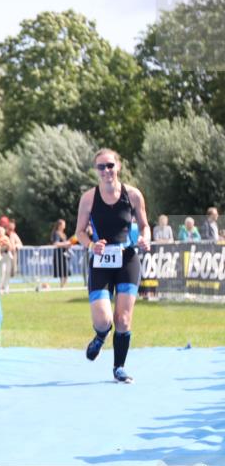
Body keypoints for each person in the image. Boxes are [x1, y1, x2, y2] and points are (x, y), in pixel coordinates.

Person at [75, 148, 151, 384]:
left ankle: (119, 367)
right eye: (101, 167)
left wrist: (145, 237)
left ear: (118, 166)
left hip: (127, 259)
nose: (106, 171)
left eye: (110, 165)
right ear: (96, 171)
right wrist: (91, 245)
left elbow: (145, 225)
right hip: (100, 261)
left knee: (123, 319)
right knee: (104, 320)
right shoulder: (89, 198)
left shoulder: (134, 195)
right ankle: (100, 336)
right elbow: (79, 232)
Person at [51, 219, 72, 288]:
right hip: (59, 255)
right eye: (63, 225)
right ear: (59, 225)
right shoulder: (56, 233)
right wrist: (66, 243)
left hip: (65, 254)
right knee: (62, 272)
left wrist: (68, 244)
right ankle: (62, 286)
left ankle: (63, 286)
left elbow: (65, 244)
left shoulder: (63, 234)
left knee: (66, 271)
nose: (64, 226)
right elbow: (56, 243)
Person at [0, 225, 14, 293]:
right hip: (1, 256)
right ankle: (0, 287)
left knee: (7, 272)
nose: (1, 233)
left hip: (7, 256)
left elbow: (10, 246)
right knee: (2, 272)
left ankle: (7, 287)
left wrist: (8, 246)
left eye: (2, 231)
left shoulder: (6, 238)